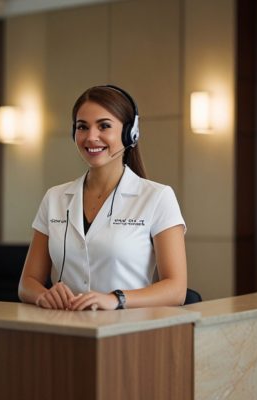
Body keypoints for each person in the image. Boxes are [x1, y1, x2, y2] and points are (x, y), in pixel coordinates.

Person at [18, 85, 187, 311]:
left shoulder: (157, 197)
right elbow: (27, 283)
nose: (91, 137)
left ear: (130, 133)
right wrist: (43, 295)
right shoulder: (55, 198)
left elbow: (176, 289)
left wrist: (116, 299)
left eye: (104, 126)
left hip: (127, 334)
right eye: (82, 127)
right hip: (66, 328)